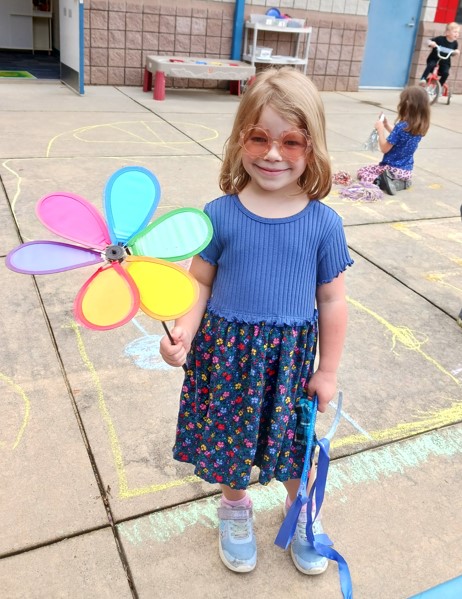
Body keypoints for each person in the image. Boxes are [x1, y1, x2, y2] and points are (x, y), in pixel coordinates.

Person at [160, 67, 353, 575]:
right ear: (240, 139)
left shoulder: (323, 224)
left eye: (291, 142)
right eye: (260, 137)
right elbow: (199, 281)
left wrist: (328, 370)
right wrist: (183, 330)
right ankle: (235, 508)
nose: (272, 153)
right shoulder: (219, 215)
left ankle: (301, 509)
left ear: (313, 149)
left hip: (288, 363)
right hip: (227, 355)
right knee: (230, 439)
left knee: (295, 441)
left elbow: (332, 301)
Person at [357, 86, 430, 195]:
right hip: (406, 171)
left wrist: (380, 130)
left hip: (391, 170)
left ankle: (382, 181)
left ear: (406, 105)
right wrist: (386, 125)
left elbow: (384, 148)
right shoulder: (419, 126)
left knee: (363, 172)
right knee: (371, 170)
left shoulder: (401, 127)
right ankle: (402, 183)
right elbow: (400, 138)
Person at [420, 22, 460, 87]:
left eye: (458, 32)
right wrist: (431, 43)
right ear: (447, 33)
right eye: (455, 32)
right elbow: (428, 41)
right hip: (434, 58)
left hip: (445, 62)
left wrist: (456, 52)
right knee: (431, 64)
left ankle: (439, 87)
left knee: (446, 73)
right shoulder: (440, 39)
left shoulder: (455, 43)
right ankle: (423, 78)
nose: (457, 34)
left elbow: (453, 53)